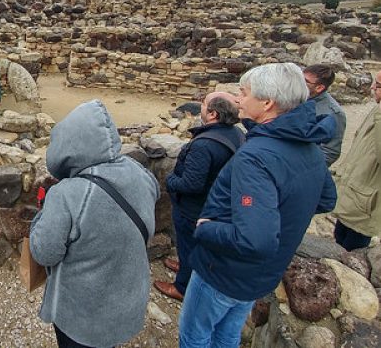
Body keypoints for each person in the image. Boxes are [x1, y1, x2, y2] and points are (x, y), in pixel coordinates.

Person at [178, 63, 337, 348]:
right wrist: (279, 214)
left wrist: (207, 229)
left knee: (195, 333)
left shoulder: (256, 157)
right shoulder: (308, 145)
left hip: (223, 270)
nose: (238, 99)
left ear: (267, 103)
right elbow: (326, 198)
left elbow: (256, 239)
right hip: (263, 273)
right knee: (228, 332)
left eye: (244, 92)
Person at [30, 100, 158, 348]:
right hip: (127, 299)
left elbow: (44, 252)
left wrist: (40, 219)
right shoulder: (138, 171)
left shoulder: (67, 194)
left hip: (83, 314)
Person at [155, 92, 244, 301]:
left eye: (203, 104)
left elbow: (191, 184)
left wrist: (170, 181)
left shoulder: (204, 144)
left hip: (193, 207)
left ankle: (182, 286)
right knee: (192, 244)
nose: (200, 107)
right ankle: (187, 267)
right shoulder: (236, 134)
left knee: (188, 242)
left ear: (213, 114)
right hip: (213, 204)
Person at [332, 69, 381, 250]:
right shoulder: (376, 109)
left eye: (378, 85)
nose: (373, 88)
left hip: (367, 202)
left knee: (352, 248)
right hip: (353, 191)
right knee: (339, 236)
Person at [303, 64, 346, 166]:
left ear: (319, 88)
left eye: (305, 81)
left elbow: (330, 153)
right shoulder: (294, 99)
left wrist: (302, 169)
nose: (299, 83)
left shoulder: (333, 113)